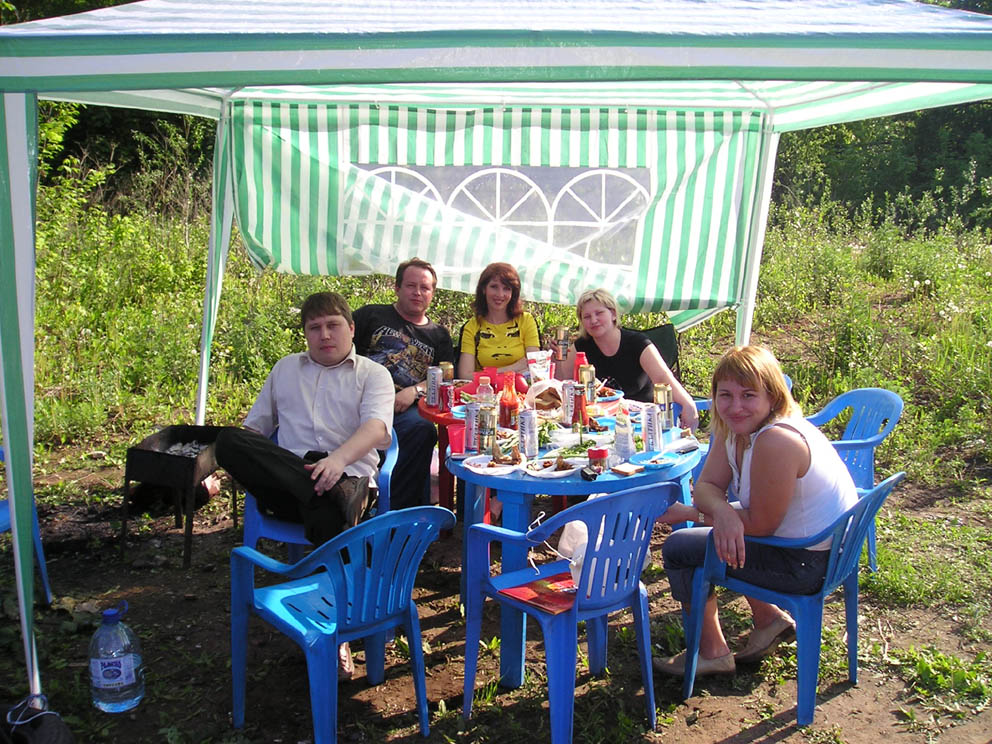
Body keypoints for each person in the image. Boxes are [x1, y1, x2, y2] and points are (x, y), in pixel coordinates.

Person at [213, 292, 394, 680]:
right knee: (227, 440)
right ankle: (332, 501)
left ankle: (337, 636)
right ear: (306, 334)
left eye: (333, 325)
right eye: (315, 328)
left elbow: (378, 428)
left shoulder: (373, 373)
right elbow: (255, 429)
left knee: (330, 506)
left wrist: (337, 460)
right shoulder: (285, 369)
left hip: (350, 479)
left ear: (351, 329)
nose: (324, 335)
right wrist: (235, 459)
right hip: (290, 485)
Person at [653, 345, 858, 677]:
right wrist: (720, 512)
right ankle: (769, 620)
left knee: (680, 548)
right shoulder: (735, 427)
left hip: (809, 563)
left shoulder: (776, 440)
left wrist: (698, 515)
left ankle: (713, 653)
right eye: (725, 395)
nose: (735, 406)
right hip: (806, 544)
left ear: (772, 396)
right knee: (718, 532)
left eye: (748, 395)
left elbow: (760, 525)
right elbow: (706, 487)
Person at [353, 257, 455, 508]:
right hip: (358, 402)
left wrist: (415, 390)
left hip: (403, 410)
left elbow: (446, 377)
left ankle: (398, 512)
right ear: (397, 288)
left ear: (432, 294)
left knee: (423, 429)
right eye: (411, 285)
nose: (418, 292)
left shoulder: (439, 335)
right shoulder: (370, 315)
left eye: (425, 288)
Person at [556, 288, 698, 430]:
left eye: (599, 313)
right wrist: (557, 358)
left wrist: (688, 404)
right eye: (587, 317)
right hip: (601, 422)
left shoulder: (637, 343)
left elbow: (663, 377)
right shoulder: (581, 346)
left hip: (643, 422)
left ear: (613, 314)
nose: (593, 320)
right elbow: (562, 383)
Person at [456, 262, 540, 380]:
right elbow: (465, 375)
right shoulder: (471, 327)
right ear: (484, 289)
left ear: (513, 292)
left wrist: (486, 374)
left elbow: (534, 366)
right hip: (484, 390)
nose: (500, 294)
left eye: (506, 288)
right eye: (494, 287)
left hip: (520, 389)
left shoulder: (526, 320)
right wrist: (513, 368)